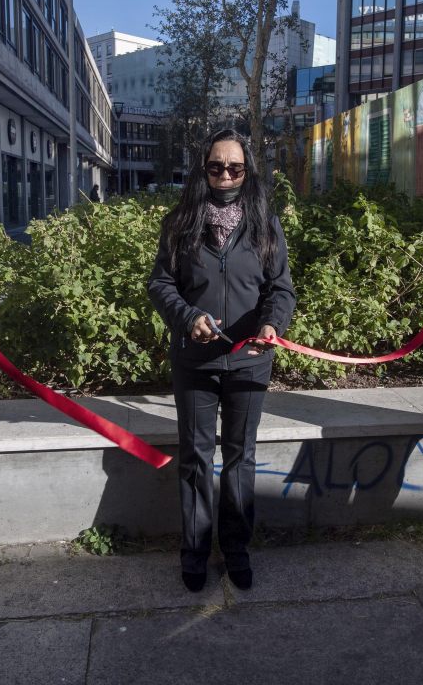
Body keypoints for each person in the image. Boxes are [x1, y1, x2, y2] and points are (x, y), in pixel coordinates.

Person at [147, 128, 295, 593]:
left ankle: (236, 549)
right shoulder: (181, 222)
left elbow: (281, 289)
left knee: (240, 458)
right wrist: (187, 317)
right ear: (203, 169)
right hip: (195, 361)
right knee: (195, 458)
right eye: (216, 167)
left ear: (248, 171)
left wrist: (272, 325)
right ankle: (194, 551)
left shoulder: (265, 222)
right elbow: (160, 284)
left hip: (250, 361)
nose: (225, 176)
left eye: (235, 168)